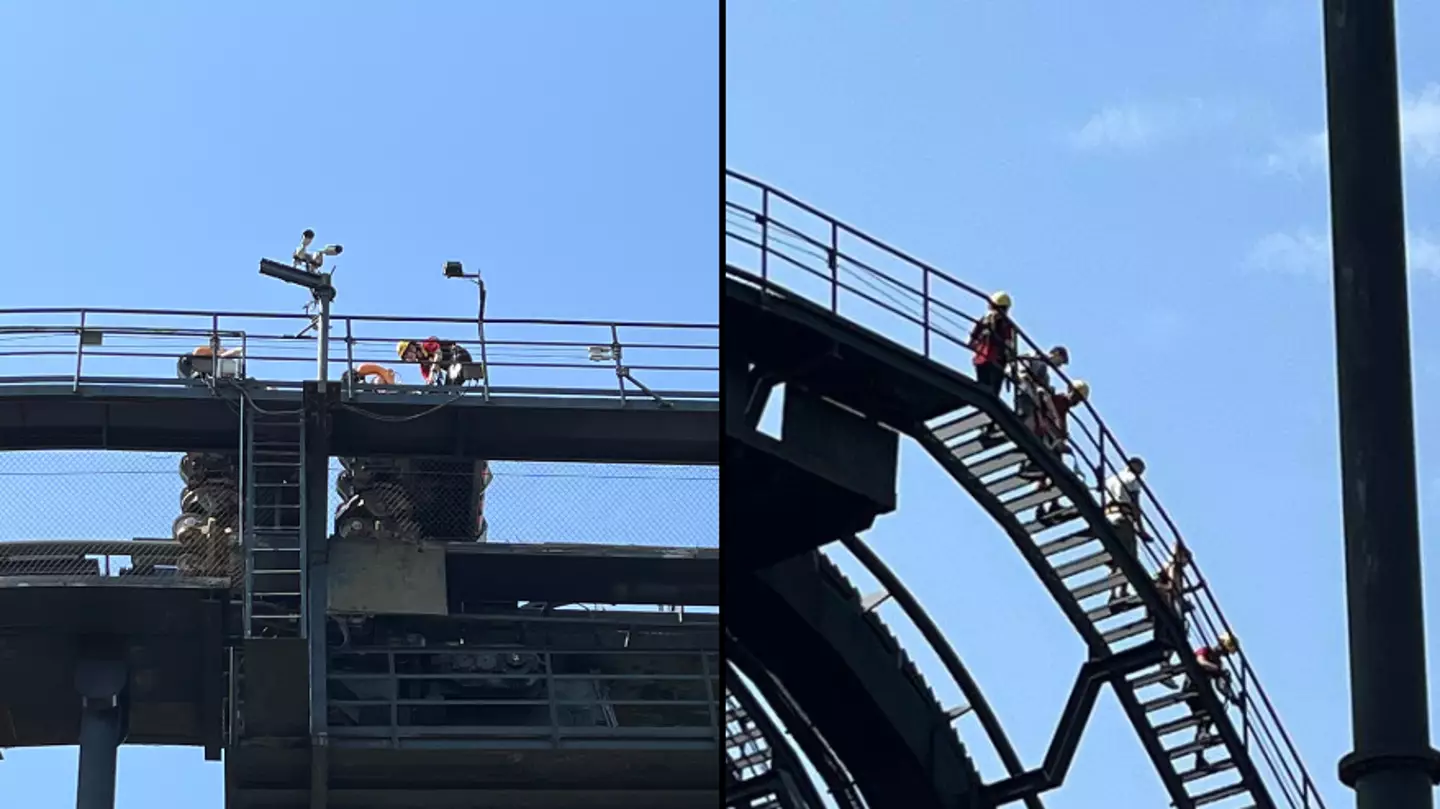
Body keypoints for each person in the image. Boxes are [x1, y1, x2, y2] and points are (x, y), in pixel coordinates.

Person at [1029, 380, 1090, 526]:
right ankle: (1044, 505)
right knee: (1050, 473)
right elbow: (1049, 419)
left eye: (1079, 400)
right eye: (1077, 398)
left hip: (1051, 441)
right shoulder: (1060, 401)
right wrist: (1059, 438)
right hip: (1049, 441)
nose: (1077, 403)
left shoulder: (1063, 406)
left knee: (1049, 474)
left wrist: (1062, 437)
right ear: (1071, 391)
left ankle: (1048, 504)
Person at [1185, 632, 1240, 771]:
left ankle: (1199, 758)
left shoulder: (1218, 664)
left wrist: (1232, 696)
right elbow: (1200, 662)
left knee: (1206, 721)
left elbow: (1220, 686)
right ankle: (1202, 744)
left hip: (1202, 694)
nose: (1222, 652)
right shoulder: (1205, 651)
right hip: (1192, 690)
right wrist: (1218, 670)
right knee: (1206, 718)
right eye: (1223, 649)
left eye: (1225, 651)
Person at [969, 291, 1016, 440]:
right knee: (993, 395)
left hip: (981, 360)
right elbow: (1008, 345)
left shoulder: (983, 320)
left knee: (982, 391)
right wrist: (1011, 361)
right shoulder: (1006, 324)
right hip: (996, 362)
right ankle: (988, 428)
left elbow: (970, 342)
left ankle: (983, 424)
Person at [1103, 456, 1148, 601]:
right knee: (1129, 558)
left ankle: (1112, 592)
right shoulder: (1132, 480)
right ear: (1135, 466)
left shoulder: (1110, 479)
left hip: (1108, 517)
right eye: (1140, 470)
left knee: (1114, 557)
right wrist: (1141, 529)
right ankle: (1121, 592)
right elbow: (1135, 506)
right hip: (1123, 519)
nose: (1140, 474)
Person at [1015, 345, 1069, 433]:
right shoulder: (1034, 356)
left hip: (1031, 397)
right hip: (1024, 390)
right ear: (1056, 354)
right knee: (1024, 415)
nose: (1059, 366)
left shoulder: (1046, 375)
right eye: (1060, 362)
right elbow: (1021, 368)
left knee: (1028, 417)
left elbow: (1043, 389)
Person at [397, 337, 475, 386]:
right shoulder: (424, 365)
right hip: (452, 366)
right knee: (448, 390)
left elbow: (438, 354)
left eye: (407, 353)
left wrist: (432, 371)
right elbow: (429, 381)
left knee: (450, 388)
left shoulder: (427, 344)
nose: (408, 358)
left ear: (412, 347)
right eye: (405, 357)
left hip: (459, 356)